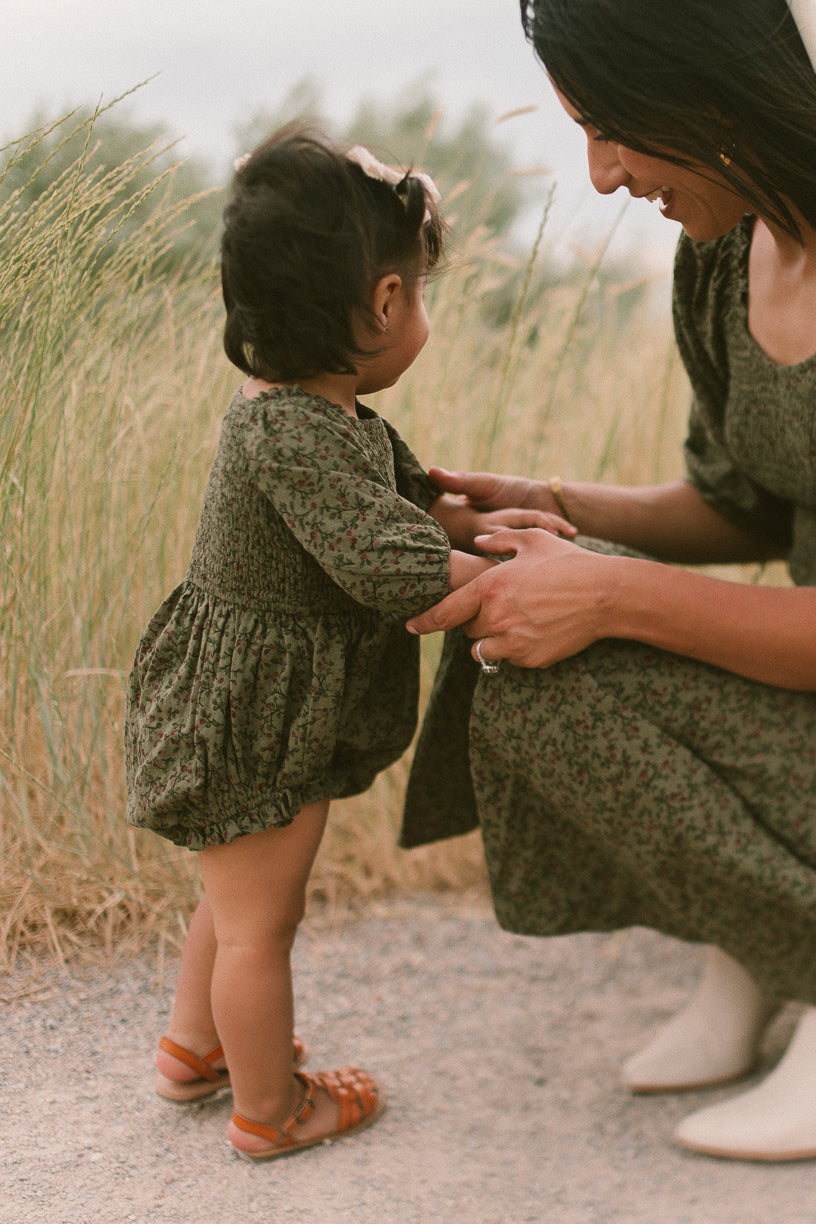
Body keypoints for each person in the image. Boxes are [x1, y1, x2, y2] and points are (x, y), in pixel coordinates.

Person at [402, 0, 816, 1161]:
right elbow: (741, 506)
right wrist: (550, 511)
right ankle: (767, 944)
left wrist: (614, 594)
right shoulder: (725, 256)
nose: (600, 175)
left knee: (581, 611)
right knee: (522, 631)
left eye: (617, 129)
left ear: (713, 85)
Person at [125, 125, 570, 1162]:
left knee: (231, 897)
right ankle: (271, 1113)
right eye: (419, 291)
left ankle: (198, 1050)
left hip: (260, 704)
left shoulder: (325, 414)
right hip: (251, 716)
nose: (421, 311)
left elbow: (401, 509)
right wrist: (516, 580)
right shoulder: (288, 432)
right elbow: (394, 567)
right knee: (256, 929)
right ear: (381, 303)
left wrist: (480, 525)